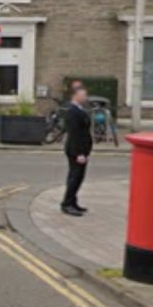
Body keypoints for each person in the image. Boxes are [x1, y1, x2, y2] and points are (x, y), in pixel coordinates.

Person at [62, 85, 92, 216]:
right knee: (75, 177)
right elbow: (74, 134)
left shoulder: (79, 109)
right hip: (76, 151)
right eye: (83, 95)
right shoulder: (72, 111)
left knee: (77, 177)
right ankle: (67, 204)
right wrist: (79, 153)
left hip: (81, 150)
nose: (85, 97)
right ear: (75, 95)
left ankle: (73, 202)